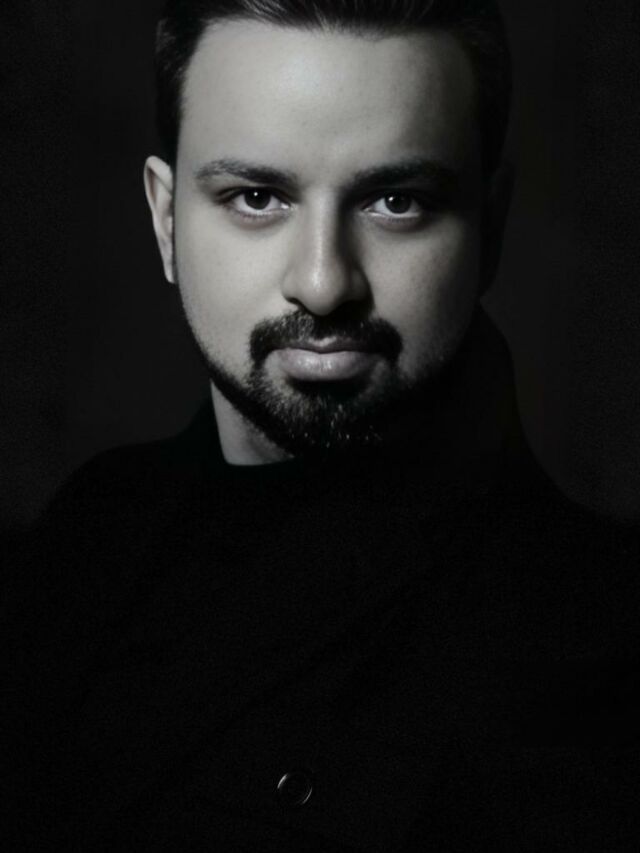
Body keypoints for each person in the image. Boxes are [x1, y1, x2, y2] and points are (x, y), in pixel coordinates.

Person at [3, 1, 639, 850]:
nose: (324, 281)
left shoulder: (597, 645)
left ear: (490, 226)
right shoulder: (91, 529)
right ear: (165, 219)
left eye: (397, 201)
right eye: (257, 197)